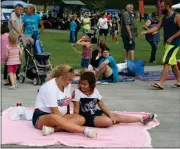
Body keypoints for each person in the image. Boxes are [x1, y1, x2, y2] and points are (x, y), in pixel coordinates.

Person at [32, 65, 97, 138]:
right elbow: (55, 112)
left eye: (72, 80)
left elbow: (67, 103)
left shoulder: (67, 84)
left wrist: (68, 119)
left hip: (61, 116)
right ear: (62, 77)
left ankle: (53, 130)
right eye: (69, 79)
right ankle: (84, 131)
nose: (71, 82)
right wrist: (67, 123)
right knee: (54, 117)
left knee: (81, 119)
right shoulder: (49, 88)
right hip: (43, 116)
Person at [72, 71, 155, 128]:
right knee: (108, 122)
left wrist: (111, 115)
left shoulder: (95, 91)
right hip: (85, 117)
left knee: (115, 116)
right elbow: (76, 111)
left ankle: (141, 119)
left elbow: (102, 106)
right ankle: (110, 121)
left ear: (92, 85)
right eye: (80, 83)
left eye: (84, 84)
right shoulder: (77, 92)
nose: (81, 86)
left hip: (95, 112)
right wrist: (78, 122)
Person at [141, 0, 180, 89]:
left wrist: (172, 37)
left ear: (167, 6)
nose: (160, 8)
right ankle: (179, 81)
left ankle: (161, 83)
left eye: (162, 7)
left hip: (174, 43)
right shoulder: (164, 17)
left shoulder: (176, 16)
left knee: (166, 61)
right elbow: (157, 27)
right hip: (167, 43)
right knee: (173, 64)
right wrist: (146, 31)